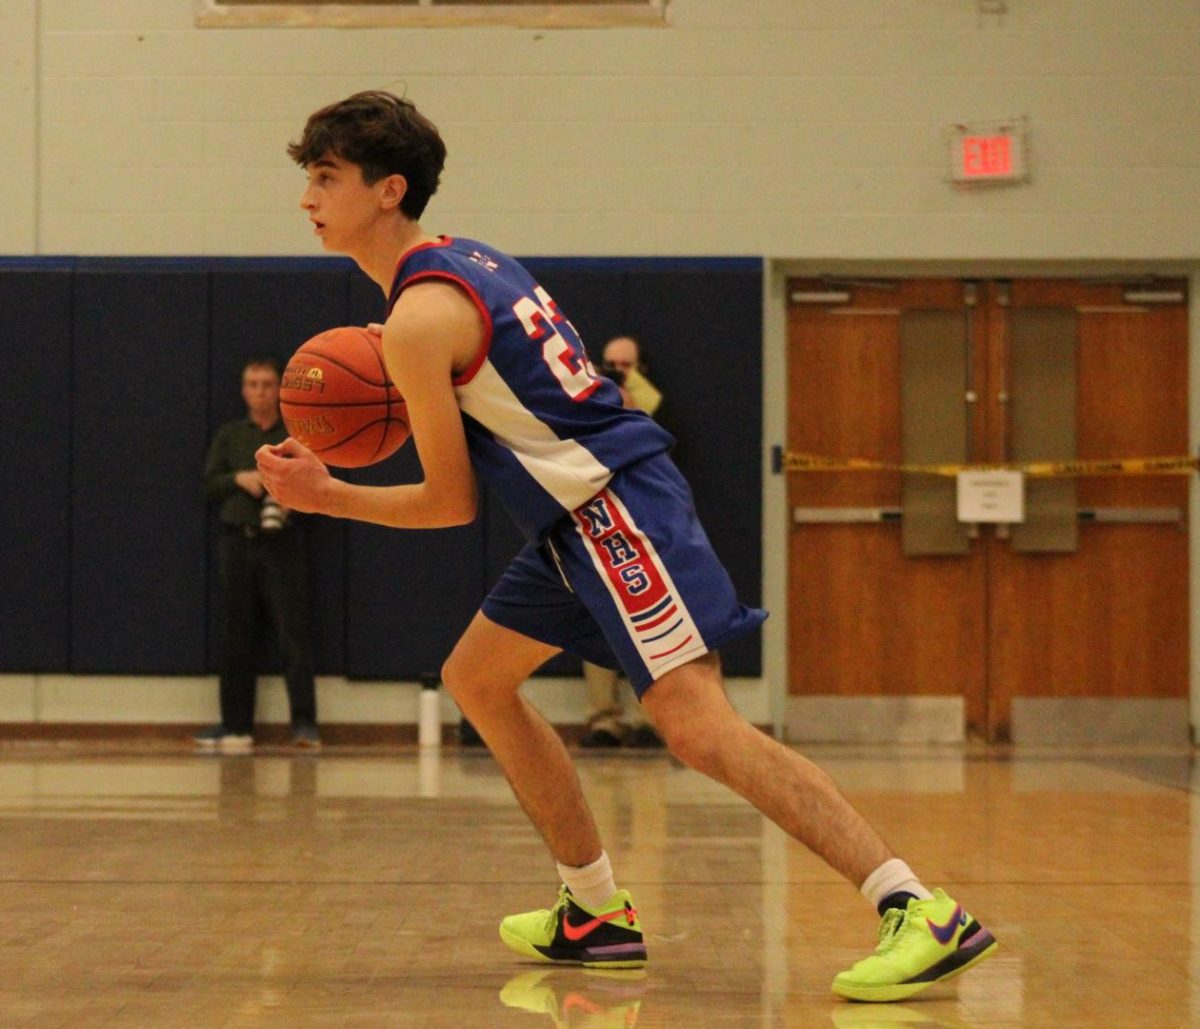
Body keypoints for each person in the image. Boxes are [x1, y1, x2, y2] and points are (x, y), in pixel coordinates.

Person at [256, 91, 997, 1002]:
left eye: (326, 177)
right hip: (572, 518)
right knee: (478, 679)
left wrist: (329, 495)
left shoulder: (418, 320)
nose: (308, 198)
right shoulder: (464, 263)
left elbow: (448, 504)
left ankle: (917, 907)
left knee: (696, 725)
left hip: (612, 509)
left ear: (387, 190)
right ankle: (595, 912)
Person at [200, 356, 321, 754]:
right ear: (243, 390)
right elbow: (208, 485)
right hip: (238, 541)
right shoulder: (231, 435)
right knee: (236, 635)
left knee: (294, 634)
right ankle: (235, 726)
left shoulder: (295, 436)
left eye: (267, 384)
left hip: (284, 543)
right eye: (253, 384)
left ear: (279, 390)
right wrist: (240, 478)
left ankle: (304, 724)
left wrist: (291, 503)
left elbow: (321, 485)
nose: (260, 392)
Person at [579, 335, 665, 749]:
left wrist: (634, 395)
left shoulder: (655, 407)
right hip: (599, 529)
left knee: (653, 626)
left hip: (648, 531)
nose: (616, 371)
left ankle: (648, 719)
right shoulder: (586, 409)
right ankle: (603, 719)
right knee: (599, 626)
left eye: (625, 365)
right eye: (609, 364)